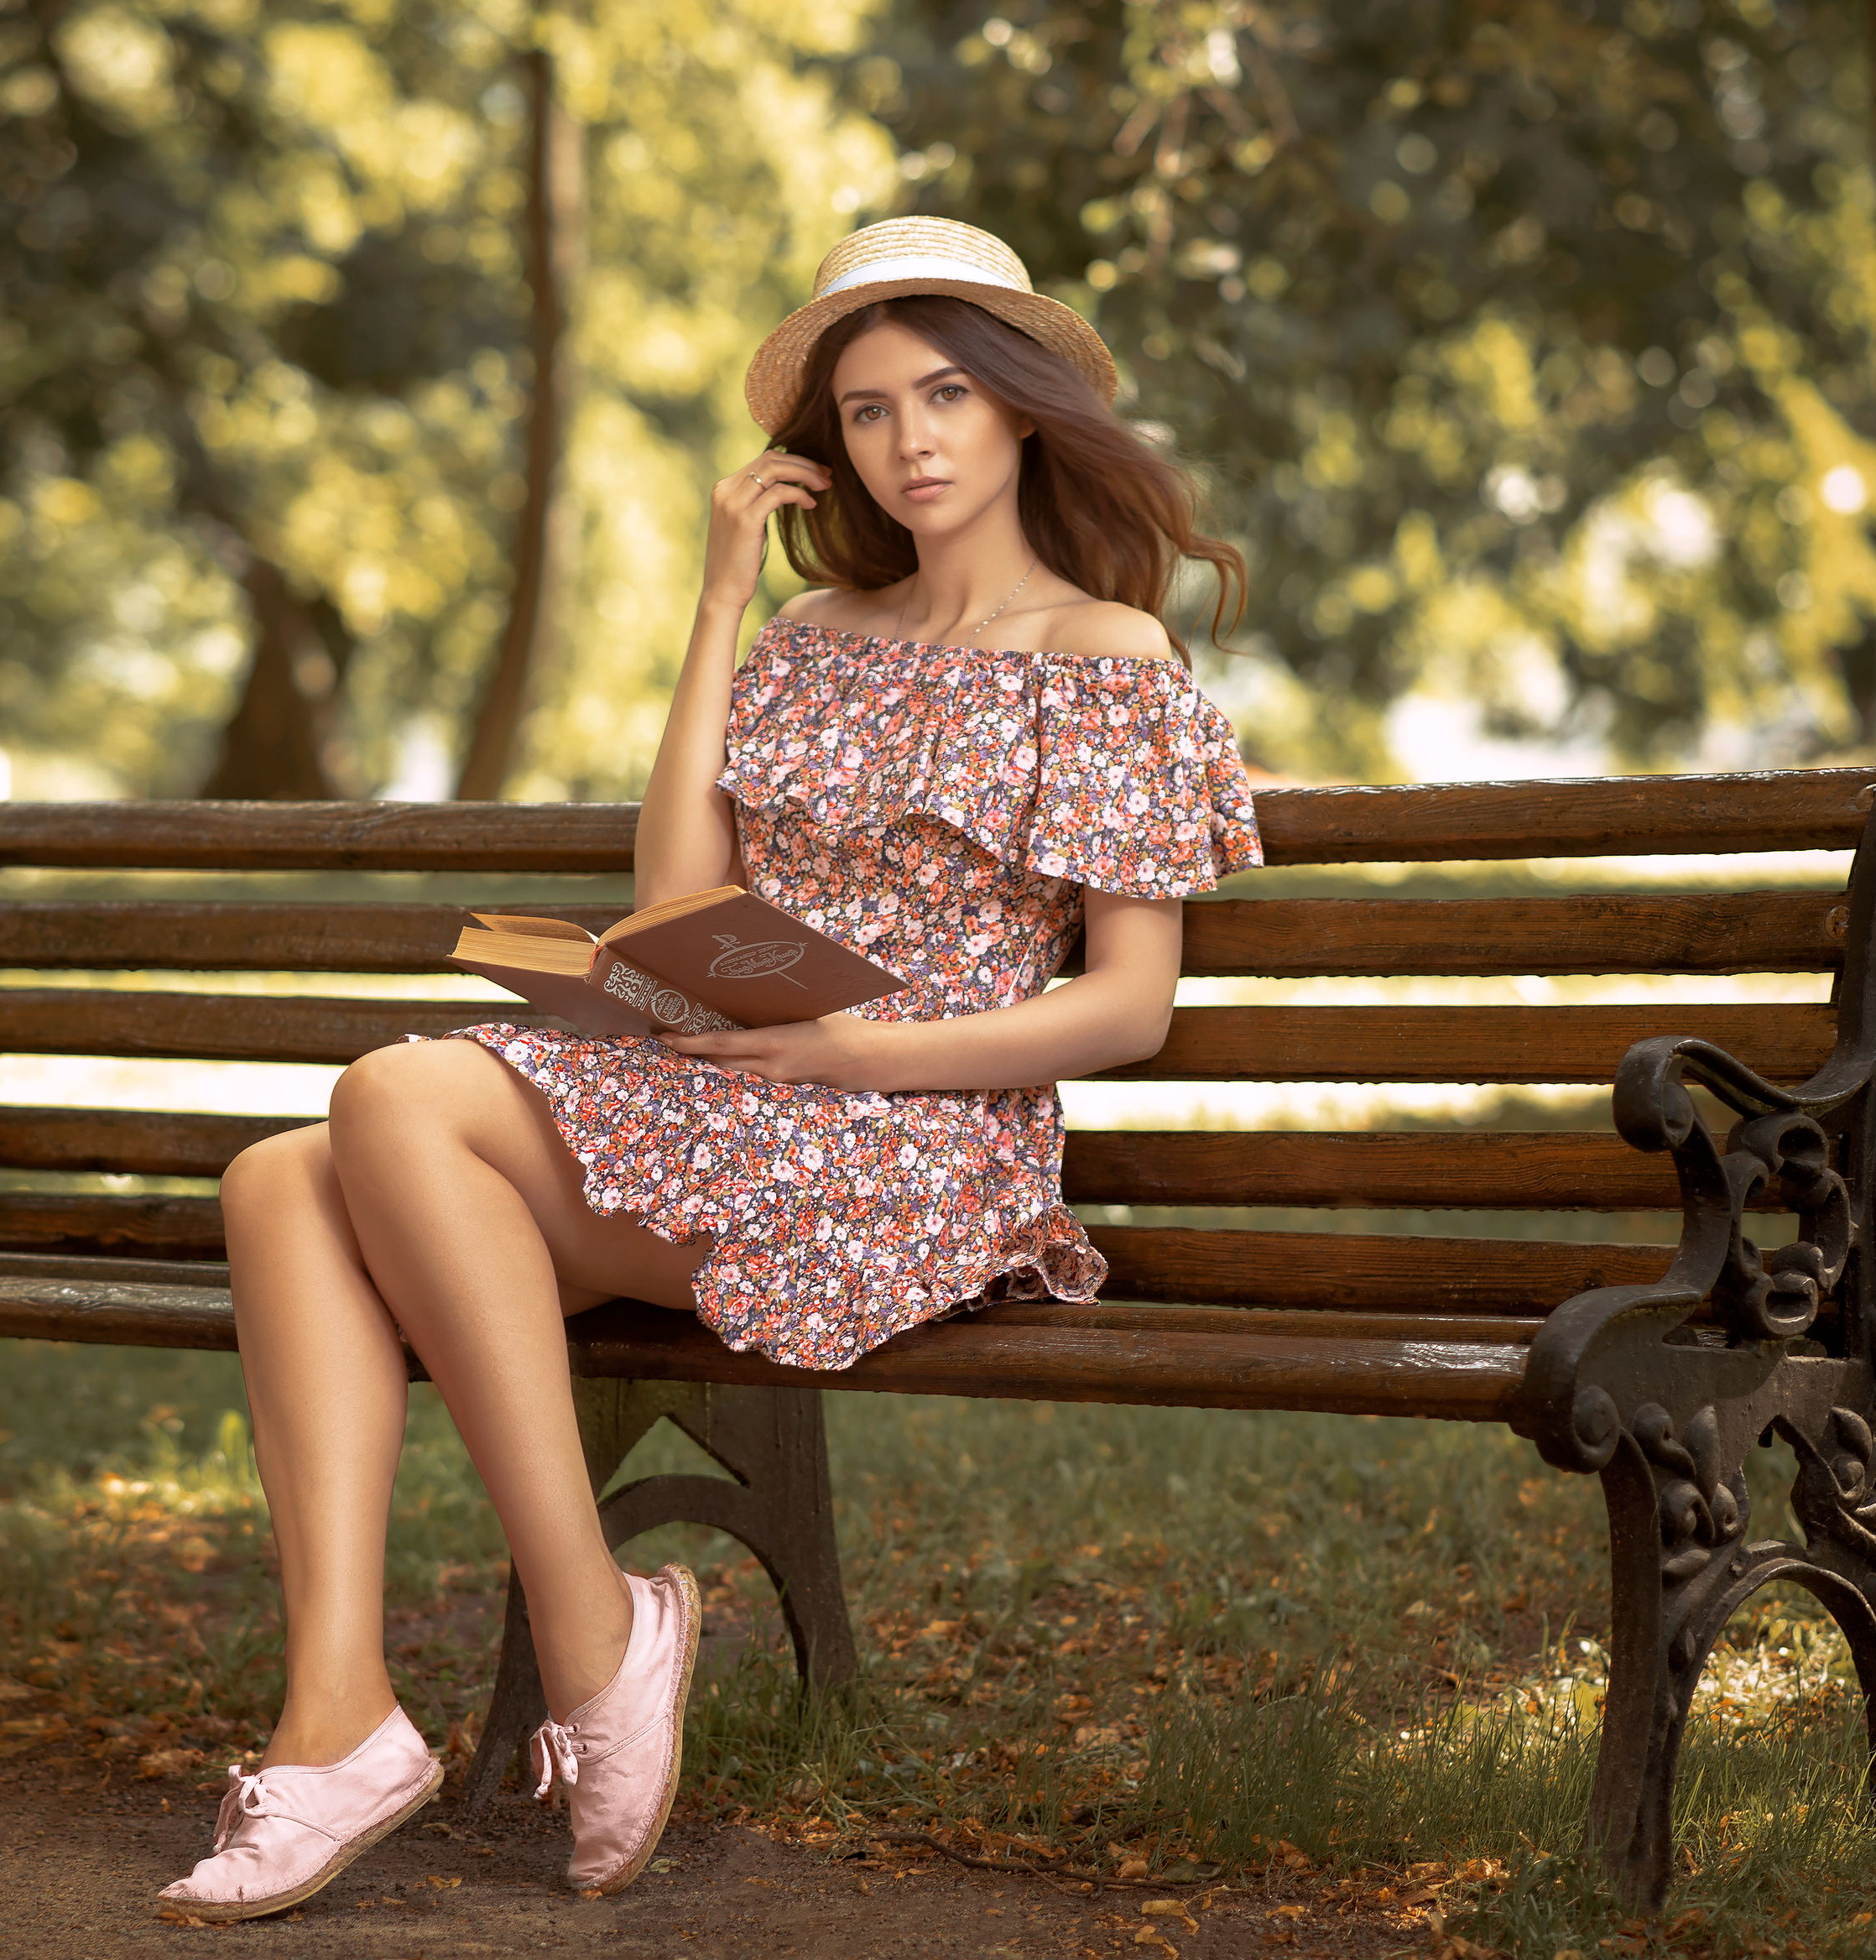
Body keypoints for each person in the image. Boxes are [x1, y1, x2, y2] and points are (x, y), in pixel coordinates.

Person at [157, 216, 1261, 1921]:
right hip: (734, 1091)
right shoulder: (815, 633)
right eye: (872, 410)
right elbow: (678, 907)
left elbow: (1126, 1009)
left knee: (381, 1098)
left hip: (914, 1142)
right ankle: (340, 1711)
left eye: (948, 393)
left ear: (1027, 408)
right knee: (276, 1177)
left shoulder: (1102, 656)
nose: (912, 443)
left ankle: (591, 1627)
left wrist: (852, 1045)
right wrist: (719, 605)